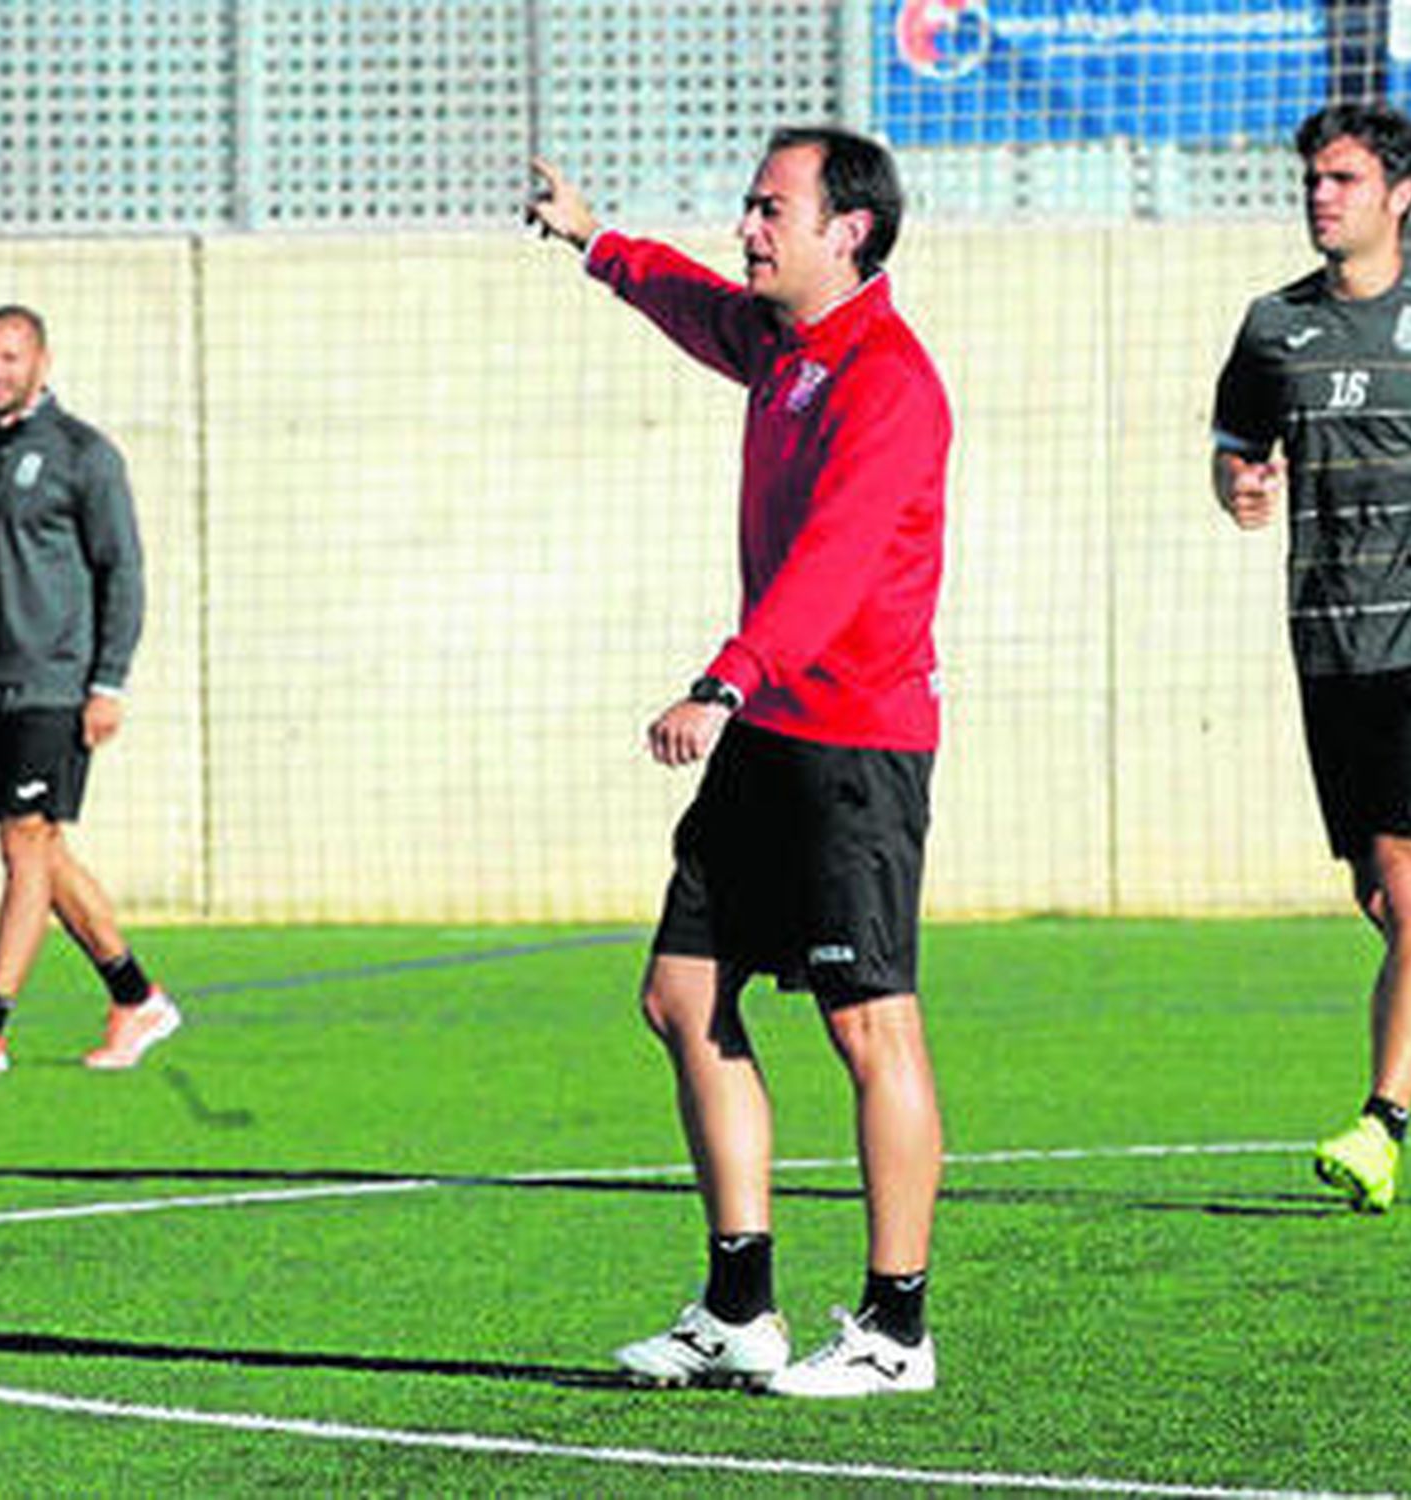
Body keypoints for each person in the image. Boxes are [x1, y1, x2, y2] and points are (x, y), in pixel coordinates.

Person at [528, 127, 950, 1395]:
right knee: (680, 994)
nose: (748, 228)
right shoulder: (782, 346)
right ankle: (739, 1310)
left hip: (850, 742)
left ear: (848, 232)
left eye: (773, 209)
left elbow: (836, 561)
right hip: (768, 733)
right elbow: (689, 303)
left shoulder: (887, 378)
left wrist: (724, 678)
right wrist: (593, 239)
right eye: (749, 206)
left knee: (867, 1024)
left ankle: (893, 1332)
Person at [1212, 103, 1411, 1212]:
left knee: (1410, 881)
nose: (1321, 195)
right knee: (1387, 899)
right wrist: (1241, 487)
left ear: (1399, 196)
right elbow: (1234, 445)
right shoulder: (1273, 327)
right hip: (1328, 640)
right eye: (1313, 178)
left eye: (1343, 180)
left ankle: (1380, 1125)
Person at [0, 305, 179, 1077]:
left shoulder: (84, 456)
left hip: (58, 680)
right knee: (42, 847)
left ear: (41, 361)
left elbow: (125, 573)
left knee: (25, 840)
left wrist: (108, 681)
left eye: (10, 357)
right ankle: (136, 997)